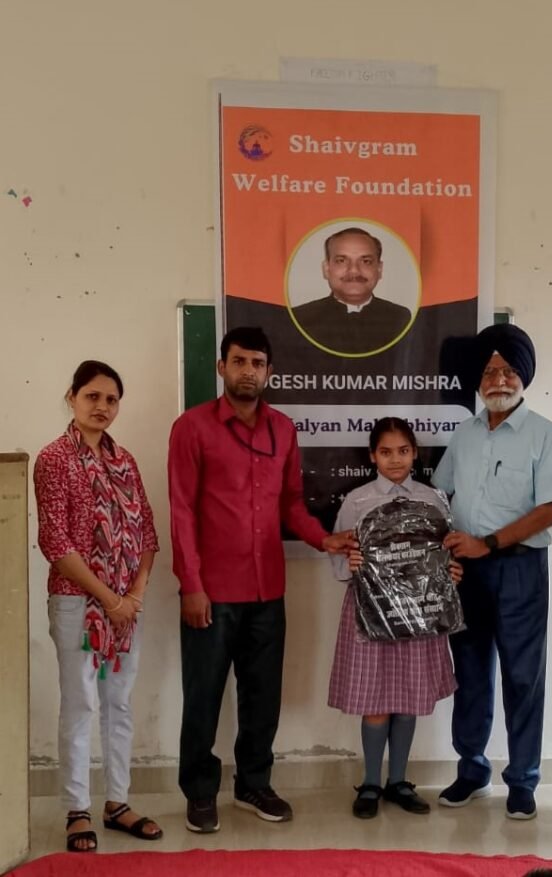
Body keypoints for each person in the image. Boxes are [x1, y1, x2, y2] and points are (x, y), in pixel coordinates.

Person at [168, 325, 355, 834]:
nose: (247, 371)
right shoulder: (192, 428)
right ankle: (200, 792)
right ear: (221, 367)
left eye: (256, 363)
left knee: (262, 697)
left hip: (268, 589)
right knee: (203, 697)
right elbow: (181, 511)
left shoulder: (283, 430)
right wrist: (191, 584)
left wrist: (323, 539)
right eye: (239, 361)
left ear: (269, 371)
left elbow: (291, 504)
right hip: (211, 592)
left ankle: (253, 784)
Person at [432, 323, 552, 819]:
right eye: (489, 371)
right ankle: (472, 771)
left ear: (523, 376)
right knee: (470, 673)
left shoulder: (545, 435)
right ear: (478, 379)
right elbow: (441, 495)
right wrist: (446, 550)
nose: (499, 380)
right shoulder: (463, 435)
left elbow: (547, 511)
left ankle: (523, 780)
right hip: (466, 573)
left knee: (522, 677)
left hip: (520, 570)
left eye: (509, 370)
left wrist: (487, 543)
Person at [34, 360, 162, 852]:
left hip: (126, 608)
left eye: (111, 399)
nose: (102, 406)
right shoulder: (54, 459)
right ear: (72, 397)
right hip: (77, 604)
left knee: (119, 702)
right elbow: (55, 542)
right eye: (92, 396)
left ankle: (118, 803)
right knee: (81, 703)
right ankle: (77, 809)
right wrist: (110, 599)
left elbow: (147, 533)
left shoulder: (124, 460)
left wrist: (133, 597)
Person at [327, 418, 459, 819]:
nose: (395, 459)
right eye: (386, 452)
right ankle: (370, 782)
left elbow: (445, 554)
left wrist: (452, 573)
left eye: (403, 451)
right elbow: (339, 559)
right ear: (372, 456)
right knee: (375, 701)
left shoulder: (434, 500)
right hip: (371, 614)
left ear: (415, 453)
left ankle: (398, 781)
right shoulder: (357, 501)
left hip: (419, 617)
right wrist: (349, 563)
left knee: (408, 701)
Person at [290, 227, 412, 355]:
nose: (354, 270)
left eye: (366, 261)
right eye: (341, 261)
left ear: (379, 269)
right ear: (326, 269)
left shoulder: (400, 318)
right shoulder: (300, 318)